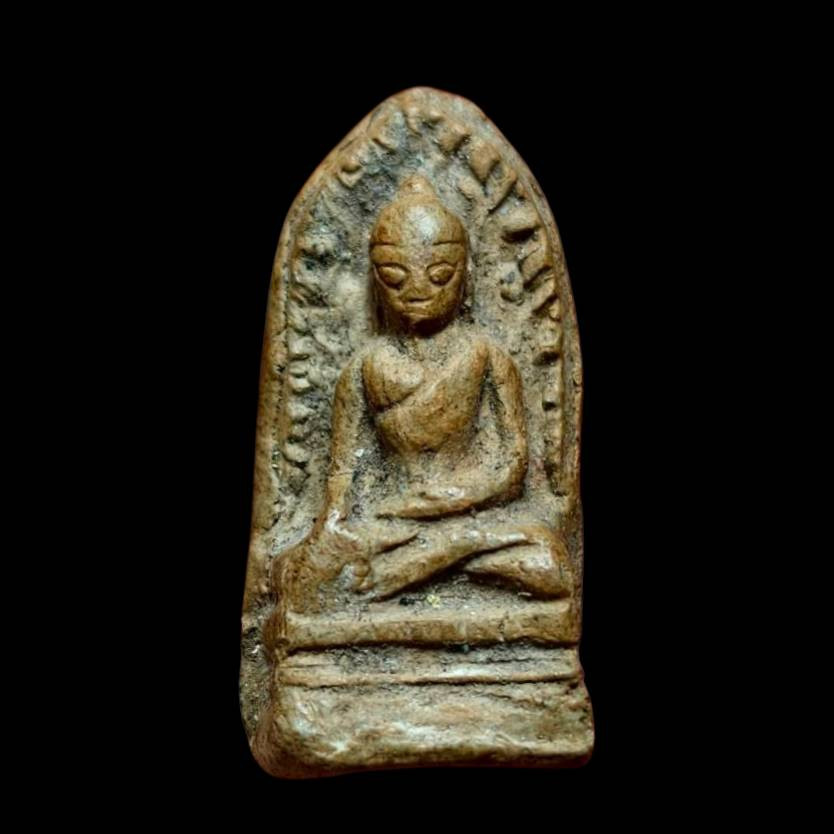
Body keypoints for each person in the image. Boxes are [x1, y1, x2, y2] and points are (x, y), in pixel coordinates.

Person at [280, 176, 572, 613]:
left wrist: (450, 499)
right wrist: (333, 525)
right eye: (394, 277)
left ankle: (412, 570)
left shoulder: (486, 356)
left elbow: (514, 466)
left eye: (439, 276)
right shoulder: (363, 368)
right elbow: (341, 475)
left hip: (467, 519)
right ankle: (425, 567)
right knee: (302, 575)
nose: (417, 291)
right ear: (375, 281)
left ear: (466, 276)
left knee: (547, 558)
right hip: (388, 522)